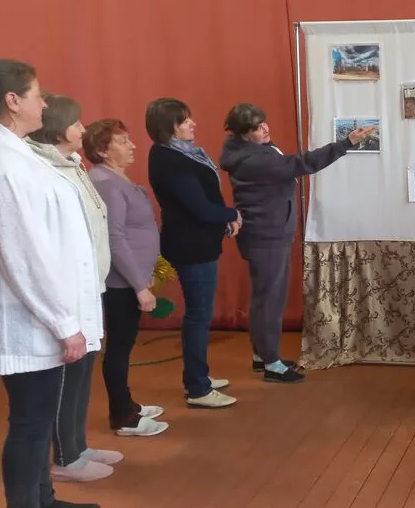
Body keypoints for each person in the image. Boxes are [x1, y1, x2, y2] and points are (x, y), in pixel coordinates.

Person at [0, 59, 100, 508]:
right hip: (23, 315)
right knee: (30, 424)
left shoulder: (8, 152)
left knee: (36, 418)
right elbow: (23, 258)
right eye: (38, 94)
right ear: (13, 101)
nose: (45, 104)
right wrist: (64, 323)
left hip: (30, 312)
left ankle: (43, 500)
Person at [218, 103, 375, 383]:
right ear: (243, 134)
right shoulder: (256, 160)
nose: (265, 129)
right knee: (270, 300)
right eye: (257, 128)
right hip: (267, 235)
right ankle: (271, 364)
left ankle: (262, 355)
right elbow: (303, 163)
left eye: (264, 122)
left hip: (265, 233)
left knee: (264, 297)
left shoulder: (248, 150)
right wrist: (346, 143)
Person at [25, 94, 123, 482]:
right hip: (67, 289)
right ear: (59, 130)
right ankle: (65, 457)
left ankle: (78, 445)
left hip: (88, 284)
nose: (83, 129)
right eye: (77, 123)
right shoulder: (45, 170)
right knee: (69, 375)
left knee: (84, 372)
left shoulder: (72, 164)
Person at [146, 98, 239, 408]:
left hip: (198, 243)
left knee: (199, 315)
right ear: (170, 127)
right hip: (191, 247)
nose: (193, 124)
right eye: (185, 121)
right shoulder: (171, 160)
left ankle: (199, 376)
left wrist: (225, 216)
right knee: (199, 317)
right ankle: (198, 388)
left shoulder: (178, 154)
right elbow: (200, 208)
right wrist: (232, 214)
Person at [85, 118, 169, 436]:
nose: (132, 145)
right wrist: (139, 286)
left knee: (124, 345)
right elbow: (115, 238)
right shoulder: (105, 182)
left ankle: (127, 405)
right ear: (102, 151)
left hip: (132, 279)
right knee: (119, 348)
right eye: (122, 142)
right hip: (121, 283)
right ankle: (123, 417)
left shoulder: (115, 177)